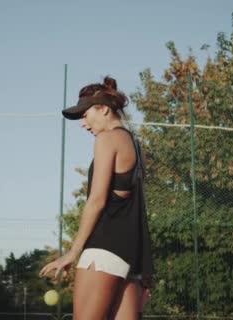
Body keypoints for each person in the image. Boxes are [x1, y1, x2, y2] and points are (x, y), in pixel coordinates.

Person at [39, 76, 154, 319]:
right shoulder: (136, 145)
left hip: (103, 252)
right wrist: (144, 268)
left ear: (103, 108)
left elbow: (96, 200)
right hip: (130, 257)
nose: (83, 123)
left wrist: (73, 252)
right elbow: (137, 208)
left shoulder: (107, 138)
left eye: (84, 113)